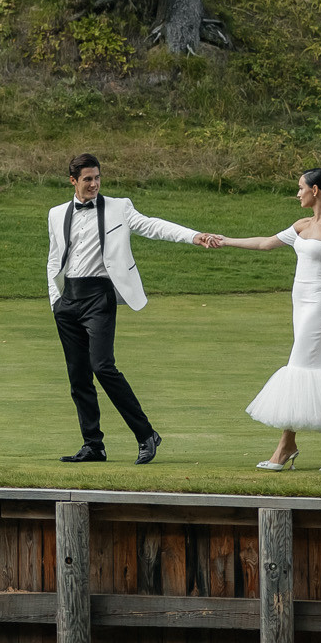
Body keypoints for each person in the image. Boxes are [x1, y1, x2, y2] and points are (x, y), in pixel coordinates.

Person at [45, 153, 214, 464]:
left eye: (97, 177)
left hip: (100, 297)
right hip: (68, 299)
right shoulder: (57, 213)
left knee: (102, 366)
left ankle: (146, 434)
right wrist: (55, 300)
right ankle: (93, 445)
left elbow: (152, 226)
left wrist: (193, 236)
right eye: (87, 179)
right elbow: (55, 258)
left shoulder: (119, 207)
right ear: (73, 181)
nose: (94, 184)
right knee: (78, 376)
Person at [202, 169, 321, 471]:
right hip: (300, 304)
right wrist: (225, 240)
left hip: (320, 307)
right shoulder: (301, 225)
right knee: (316, 371)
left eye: (300, 188)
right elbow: (265, 244)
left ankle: (286, 446)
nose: (297, 193)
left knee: (299, 367)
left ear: (316, 191)